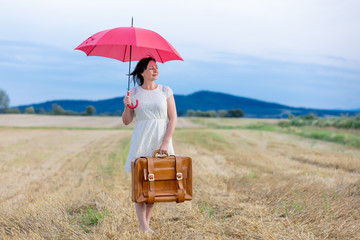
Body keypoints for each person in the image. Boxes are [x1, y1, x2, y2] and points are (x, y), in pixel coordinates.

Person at [122, 57, 177, 233]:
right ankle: (143, 226)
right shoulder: (134, 93)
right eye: (151, 68)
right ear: (142, 72)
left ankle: (145, 225)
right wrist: (126, 106)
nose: (156, 70)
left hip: (160, 139)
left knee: (154, 185)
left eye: (157, 67)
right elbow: (127, 121)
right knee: (140, 183)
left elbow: (173, 118)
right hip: (141, 138)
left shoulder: (165, 91)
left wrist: (166, 142)